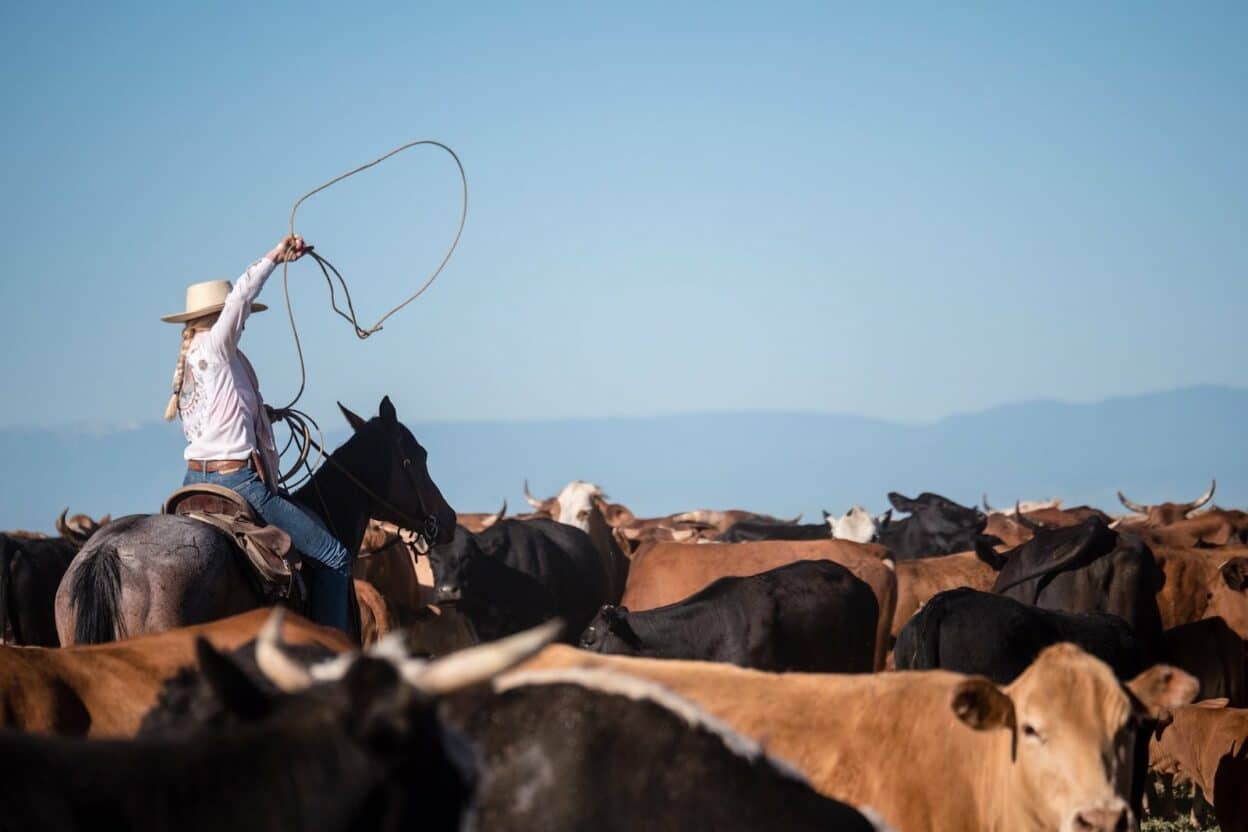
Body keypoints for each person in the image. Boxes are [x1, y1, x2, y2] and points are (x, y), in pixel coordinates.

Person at [161, 234, 354, 633]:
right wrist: (274, 258)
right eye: (239, 317)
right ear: (220, 317)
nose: (245, 321)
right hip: (237, 482)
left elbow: (216, 419)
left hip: (192, 481)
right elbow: (241, 298)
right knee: (335, 557)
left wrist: (262, 414)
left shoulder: (195, 363)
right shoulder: (219, 348)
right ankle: (332, 656)